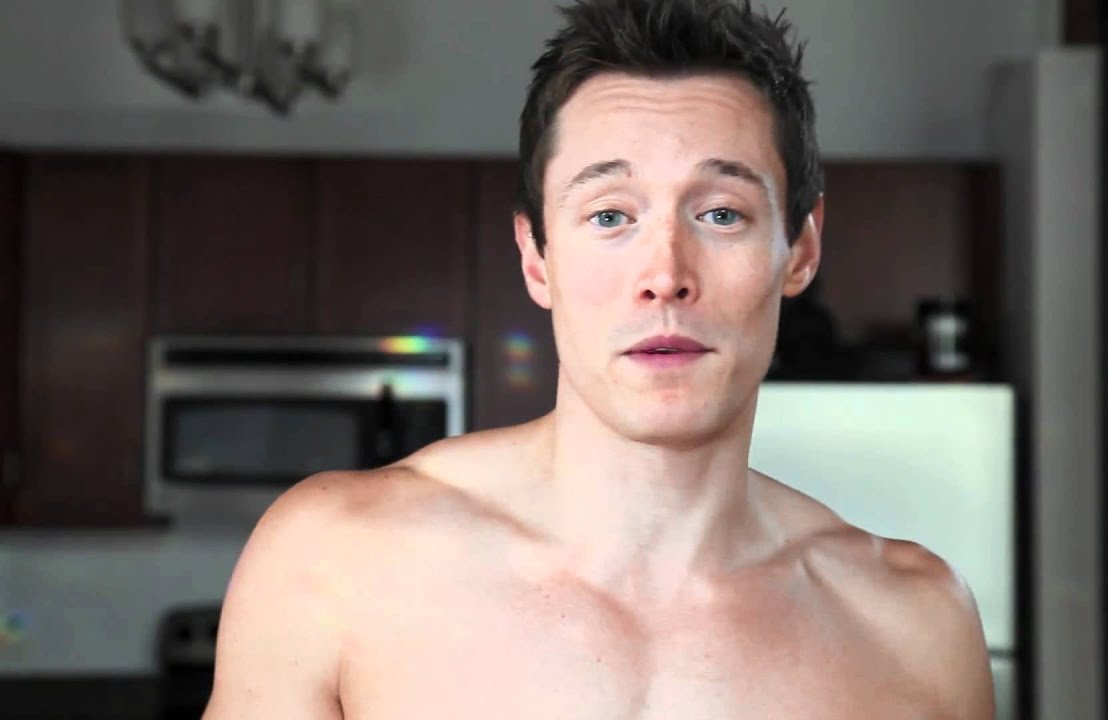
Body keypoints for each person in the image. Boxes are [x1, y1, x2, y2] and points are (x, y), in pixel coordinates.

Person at [202, 0, 996, 717]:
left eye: (722, 214)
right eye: (611, 215)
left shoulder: (915, 627)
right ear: (536, 257)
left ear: (801, 249)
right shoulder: (334, 563)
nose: (665, 275)